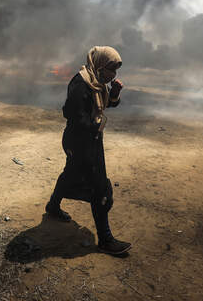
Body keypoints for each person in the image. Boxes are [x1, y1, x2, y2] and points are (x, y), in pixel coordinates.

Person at [45, 46, 131, 255]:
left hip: (91, 140)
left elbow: (103, 105)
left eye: (115, 70)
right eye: (110, 69)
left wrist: (115, 94)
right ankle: (106, 239)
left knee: (70, 175)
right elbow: (70, 113)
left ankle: (53, 207)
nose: (113, 75)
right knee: (100, 188)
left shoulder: (97, 83)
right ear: (100, 65)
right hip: (78, 142)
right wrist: (94, 125)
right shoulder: (81, 83)